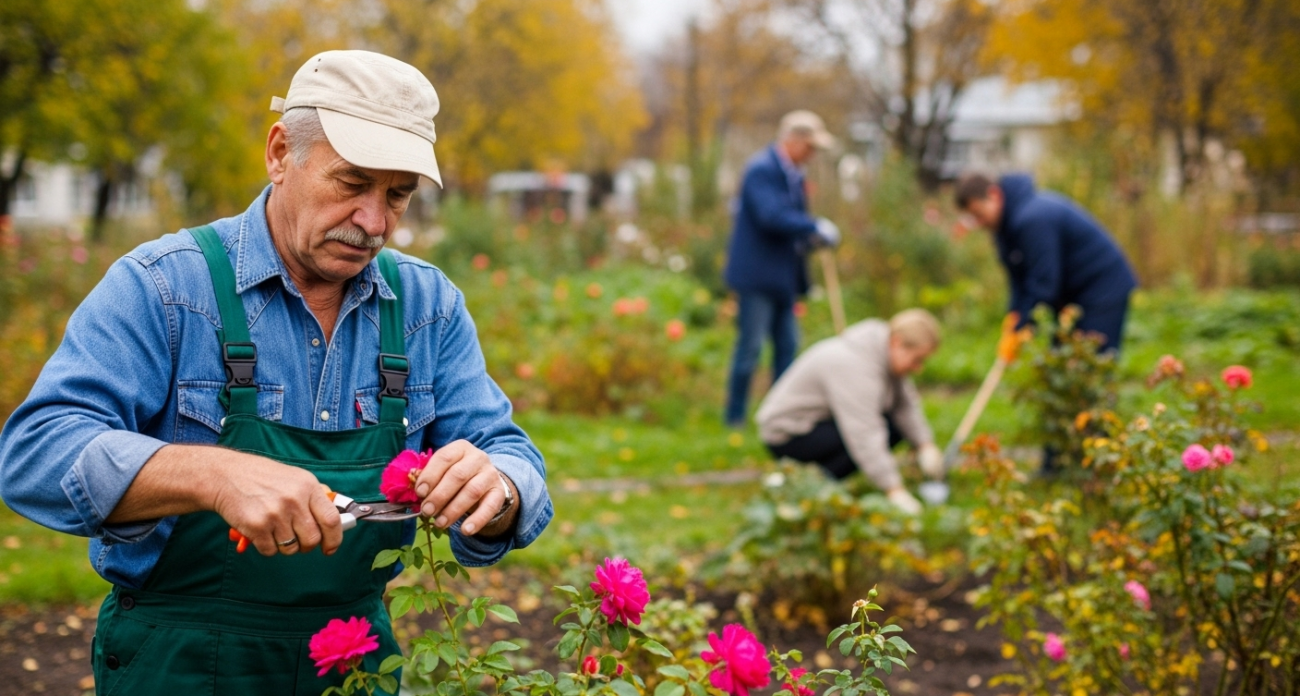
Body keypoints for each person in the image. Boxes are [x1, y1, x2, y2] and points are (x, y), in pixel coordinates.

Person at [0, 50, 552, 695]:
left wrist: (500, 487)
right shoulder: (165, 287)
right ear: (280, 152)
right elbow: (34, 453)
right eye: (351, 184)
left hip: (356, 668)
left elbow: (512, 455)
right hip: (180, 666)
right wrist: (211, 472)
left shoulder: (428, 308)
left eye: (396, 197)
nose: (374, 222)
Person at [756, 309, 945, 515]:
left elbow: (905, 407)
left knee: (893, 427)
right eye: (917, 359)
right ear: (897, 342)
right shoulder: (855, 367)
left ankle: (815, 481)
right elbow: (864, 434)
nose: (918, 368)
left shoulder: (884, 356)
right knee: (872, 435)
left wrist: (925, 445)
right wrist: (894, 489)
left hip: (820, 423)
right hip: (788, 434)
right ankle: (809, 484)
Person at [723, 110, 841, 427]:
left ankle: (778, 415)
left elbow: (790, 224)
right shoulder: (761, 170)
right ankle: (734, 417)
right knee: (750, 348)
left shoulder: (795, 175)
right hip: (756, 276)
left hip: (782, 277)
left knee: (787, 348)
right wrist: (812, 226)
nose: (812, 155)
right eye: (810, 147)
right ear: (793, 141)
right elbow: (771, 217)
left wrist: (811, 238)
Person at [954, 172, 1138, 353]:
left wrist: (1024, 326)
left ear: (994, 195)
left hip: (1101, 286)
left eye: (979, 213)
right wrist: (1014, 320)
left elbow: (1043, 283)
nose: (979, 223)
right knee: (1062, 360)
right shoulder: (1005, 231)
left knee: (1091, 360)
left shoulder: (1032, 219)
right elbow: (1019, 281)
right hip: (1073, 294)